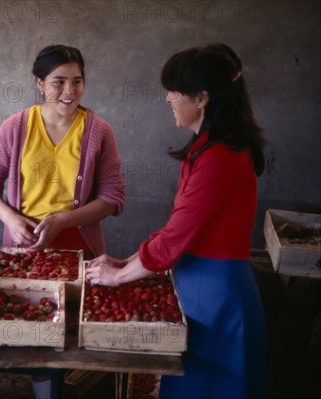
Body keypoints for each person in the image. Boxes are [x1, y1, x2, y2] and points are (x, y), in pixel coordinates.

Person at [86, 43, 267, 398]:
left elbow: (175, 239)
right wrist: (127, 261)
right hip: (199, 289)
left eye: (174, 91)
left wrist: (119, 276)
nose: (168, 99)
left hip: (218, 297)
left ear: (202, 98)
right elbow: (179, 232)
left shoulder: (221, 160)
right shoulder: (207, 149)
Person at [0, 44, 125, 398]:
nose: (69, 92)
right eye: (58, 82)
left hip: (80, 251)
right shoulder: (15, 127)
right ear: (40, 83)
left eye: (77, 81)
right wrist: (11, 219)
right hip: (26, 251)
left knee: (75, 335)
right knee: (36, 336)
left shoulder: (98, 131)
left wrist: (64, 219)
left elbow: (113, 198)